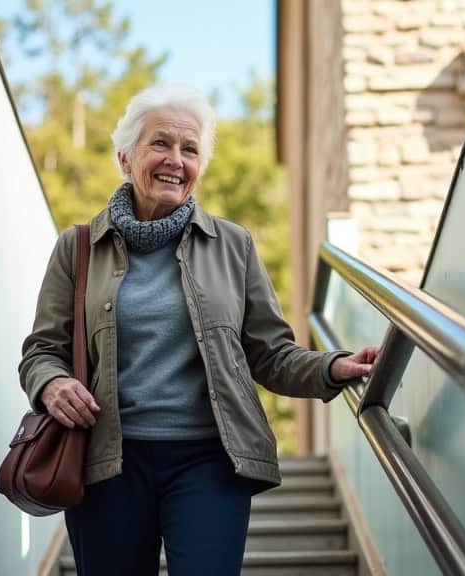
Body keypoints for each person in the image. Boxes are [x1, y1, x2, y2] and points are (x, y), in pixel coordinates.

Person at [19, 84, 377, 575]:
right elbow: (41, 351)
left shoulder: (234, 245)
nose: (176, 159)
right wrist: (52, 383)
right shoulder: (78, 248)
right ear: (126, 158)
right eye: (161, 143)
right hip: (106, 460)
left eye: (190, 149)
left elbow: (271, 354)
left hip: (210, 460)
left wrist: (333, 366)